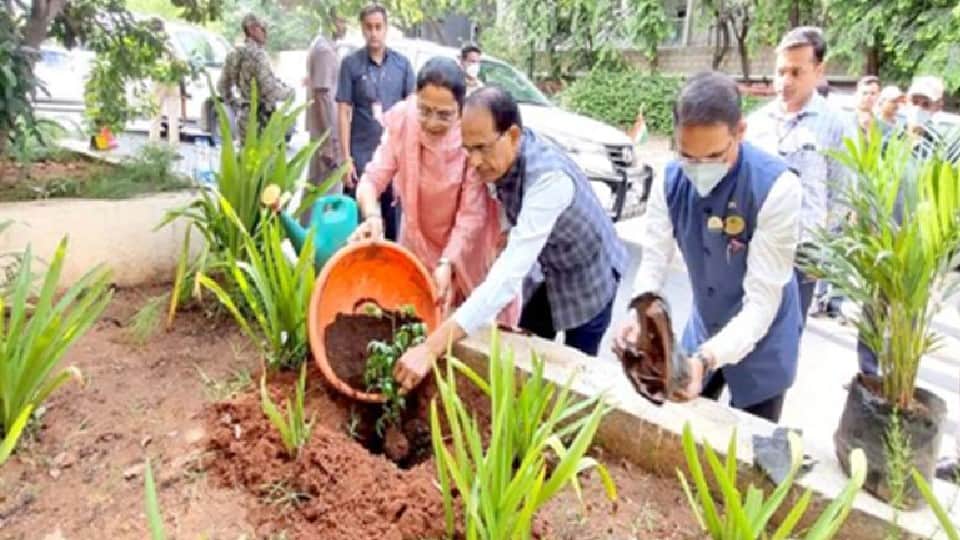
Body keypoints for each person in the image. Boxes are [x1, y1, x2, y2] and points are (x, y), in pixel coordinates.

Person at [392, 86, 629, 392]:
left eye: (482, 148)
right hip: (546, 272)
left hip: (589, 276)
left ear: (513, 135)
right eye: (468, 150)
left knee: (573, 382)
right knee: (525, 355)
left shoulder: (549, 180)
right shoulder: (500, 160)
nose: (474, 161)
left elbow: (507, 276)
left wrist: (430, 348)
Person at [613, 72, 802, 423]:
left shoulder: (777, 188)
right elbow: (654, 262)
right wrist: (639, 314)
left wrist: (706, 359)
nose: (699, 169)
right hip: (705, 323)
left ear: (740, 132)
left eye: (714, 155)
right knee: (683, 422)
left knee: (749, 439)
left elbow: (762, 303)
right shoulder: (669, 181)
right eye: (687, 155)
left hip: (765, 341)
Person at [349, 57, 518, 324]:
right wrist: (372, 216)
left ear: (460, 109)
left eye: (444, 115)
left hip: (467, 250)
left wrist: (447, 262)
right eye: (424, 110)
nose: (431, 122)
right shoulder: (404, 120)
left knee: (469, 325)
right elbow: (372, 179)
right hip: (418, 242)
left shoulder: (470, 135)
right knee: (415, 316)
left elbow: (471, 215)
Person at [745, 26, 850, 329]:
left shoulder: (836, 125)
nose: (785, 81)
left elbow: (841, 197)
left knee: (785, 334)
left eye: (796, 72)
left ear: (818, 71)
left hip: (801, 255)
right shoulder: (756, 123)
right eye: (780, 72)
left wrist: (821, 253)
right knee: (742, 329)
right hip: (754, 245)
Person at [337, 4, 416, 241]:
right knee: (358, 224)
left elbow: (412, 111)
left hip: (393, 156)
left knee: (393, 225)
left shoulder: (402, 65)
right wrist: (346, 159)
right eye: (369, 27)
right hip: (360, 154)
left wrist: (409, 160)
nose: (374, 33)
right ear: (362, 29)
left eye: (378, 27)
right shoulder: (351, 64)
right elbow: (343, 111)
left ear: (386, 28)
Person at [218, 14, 294, 142]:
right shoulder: (259, 55)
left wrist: (235, 104)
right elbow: (269, 89)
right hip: (261, 119)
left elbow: (222, 86)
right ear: (251, 29)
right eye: (262, 28)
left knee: (244, 153)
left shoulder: (233, 54)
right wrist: (289, 93)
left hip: (243, 118)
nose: (266, 33)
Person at [304, 10, 348, 203]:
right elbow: (321, 95)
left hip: (326, 133)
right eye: (341, 21)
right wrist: (328, 142)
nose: (344, 26)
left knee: (318, 191)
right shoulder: (324, 50)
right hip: (327, 134)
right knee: (324, 193)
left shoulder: (324, 46)